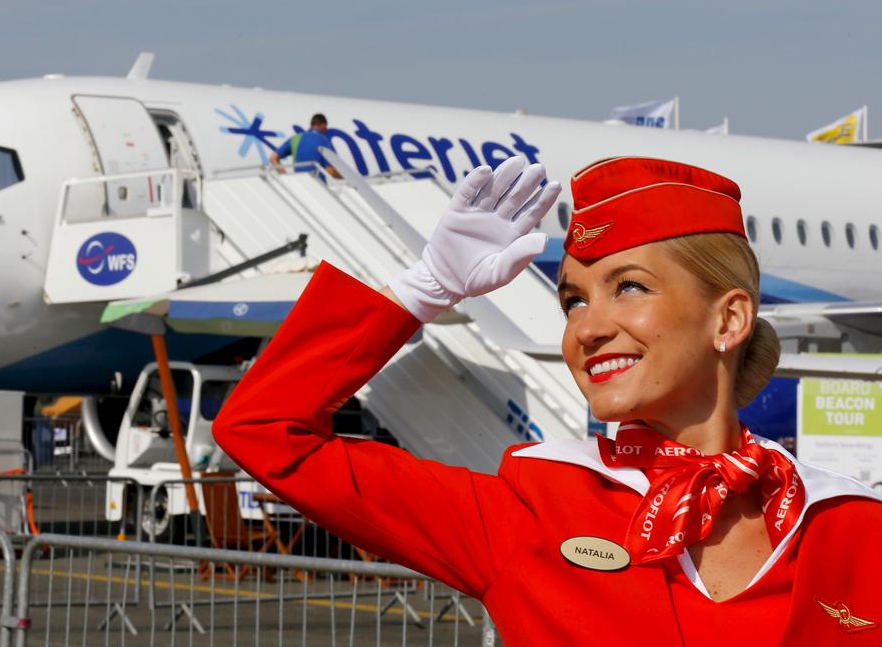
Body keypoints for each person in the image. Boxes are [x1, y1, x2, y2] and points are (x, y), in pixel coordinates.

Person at [214, 156, 882, 644]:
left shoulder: (849, 523)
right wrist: (426, 286)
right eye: (573, 301)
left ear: (728, 321)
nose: (587, 328)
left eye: (629, 287)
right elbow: (264, 429)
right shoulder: (528, 508)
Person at [268, 113, 342, 180]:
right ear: (323, 125)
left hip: (301, 186)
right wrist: (345, 177)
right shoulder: (323, 140)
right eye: (326, 128)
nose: (326, 131)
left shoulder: (296, 138)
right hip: (318, 186)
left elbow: (273, 158)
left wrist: (287, 177)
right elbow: (331, 171)